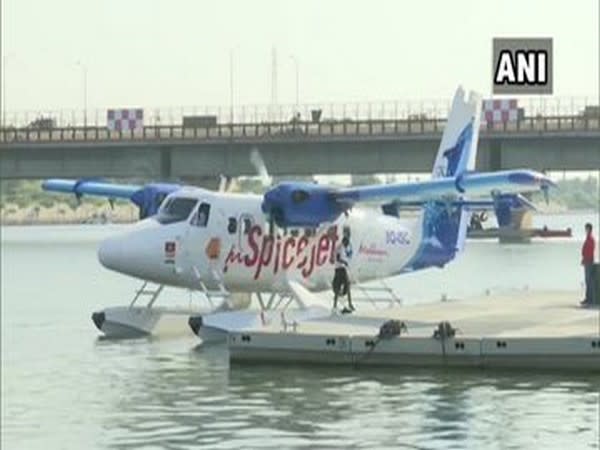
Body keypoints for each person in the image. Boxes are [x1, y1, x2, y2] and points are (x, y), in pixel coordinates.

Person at [332, 229, 355, 313]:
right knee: (344, 285)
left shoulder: (342, 248)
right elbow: (338, 258)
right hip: (340, 269)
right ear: (344, 242)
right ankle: (349, 304)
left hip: (340, 268)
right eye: (347, 244)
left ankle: (336, 305)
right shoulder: (340, 248)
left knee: (341, 286)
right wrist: (344, 262)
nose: (347, 246)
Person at [580, 223, 596, 306]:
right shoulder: (588, 238)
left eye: (586, 229)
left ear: (589, 229)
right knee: (587, 281)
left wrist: (585, 259)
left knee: (589, 281)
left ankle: (590, 299)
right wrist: (583, 259)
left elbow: (589, 252)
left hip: (588, 262)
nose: (585, 230)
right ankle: (588, 298)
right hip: (587, 261)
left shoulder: (590, 239)